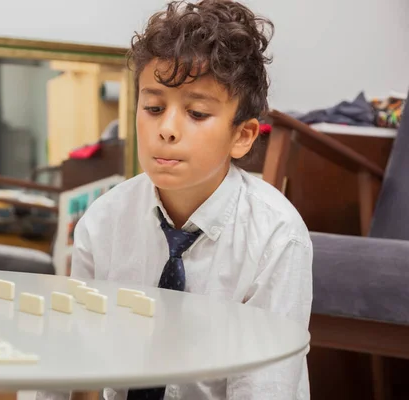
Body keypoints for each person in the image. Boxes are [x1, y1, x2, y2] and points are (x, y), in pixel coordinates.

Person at [38, 0, 312, 399]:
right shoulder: (104, 220)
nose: (166, 129)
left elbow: (264, 387)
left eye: (197, 113)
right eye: (152, 107)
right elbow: (72, 358)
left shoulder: (276, 238)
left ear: (243, 136)